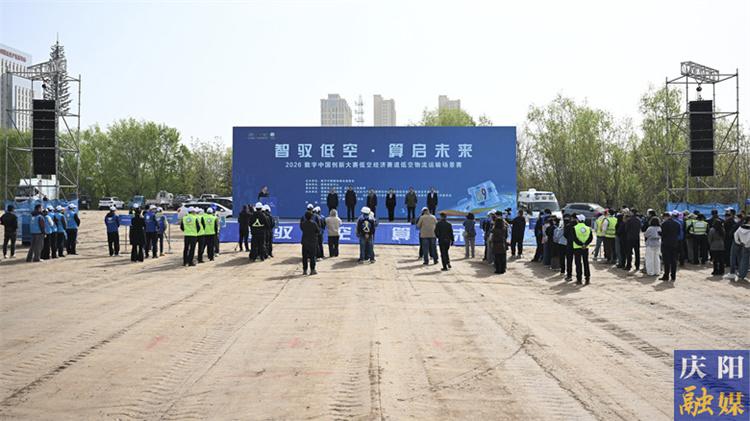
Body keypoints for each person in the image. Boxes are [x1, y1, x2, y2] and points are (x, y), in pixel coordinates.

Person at [571, 214, 593, 285]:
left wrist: (581, 244)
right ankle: (587, 279)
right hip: (585, 248)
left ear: (578, 220)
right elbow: (590, 238)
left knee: (578, 263)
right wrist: (585, 244)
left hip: (577, 248)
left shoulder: (574, 228)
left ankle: (579, 279)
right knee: (586, 262)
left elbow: (574, 238)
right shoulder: (588, 228)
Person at [660, 211, 681, 282]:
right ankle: (673, 276)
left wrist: (659, 233)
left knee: (666, 261)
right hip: (675, 243)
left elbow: (663, 234)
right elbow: (678, 233)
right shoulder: (677, 224)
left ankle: (666, 275)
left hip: (666, 244)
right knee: (674, 260)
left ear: (666, 217)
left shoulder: (664, 224)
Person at [733, 216, 750, 282]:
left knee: (744, 260)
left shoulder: (740, 227)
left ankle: (741, 275)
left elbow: (735, 235)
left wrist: (739, 242)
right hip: (748, 245)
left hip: (744, 245)